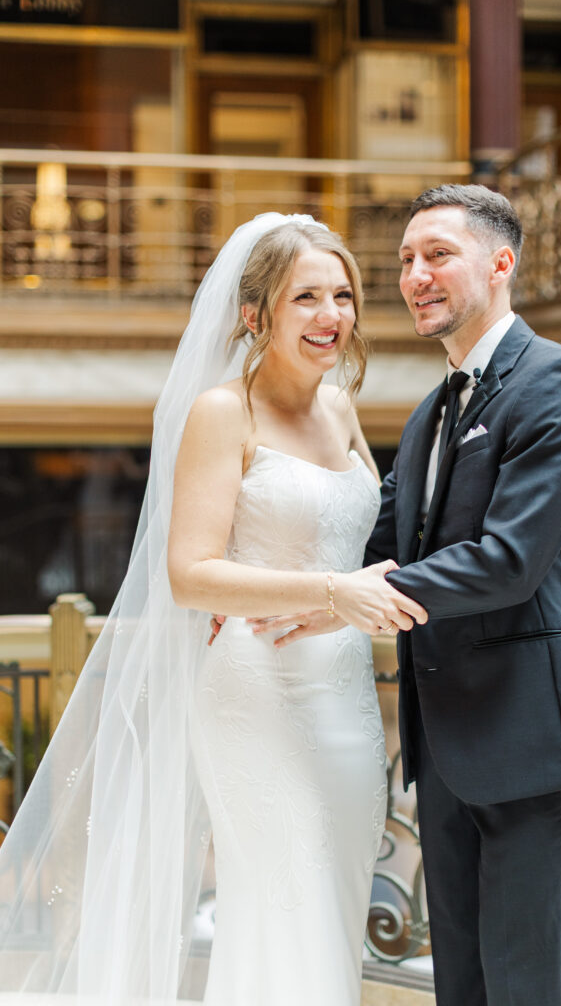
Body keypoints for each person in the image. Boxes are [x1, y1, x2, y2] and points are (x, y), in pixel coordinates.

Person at [0, 213, 426, 1006]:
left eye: (342, 295)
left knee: (333, 892)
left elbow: (362, 535)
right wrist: (329, 592)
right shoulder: (221, 413)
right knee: (276, 898)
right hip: (253, 693)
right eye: (306, 297)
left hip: (342, 694)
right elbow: (190, 574)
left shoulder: (339, 408)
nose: (331, 315)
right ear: (254, 314)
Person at [259, 185, 561, 1006]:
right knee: (460, 984)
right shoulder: (430, 412)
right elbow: (375, 547)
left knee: (525, 986)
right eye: (405, 262)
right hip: (447, 747)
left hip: (533, 742)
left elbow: (505, 562)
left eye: (437, 255)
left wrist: (332, 603)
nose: (415, 275)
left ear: (500, 263)